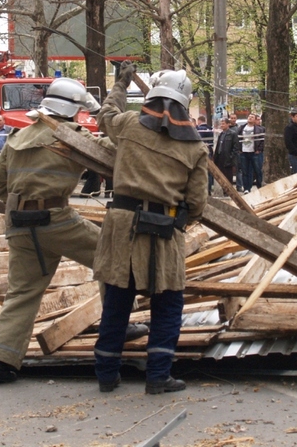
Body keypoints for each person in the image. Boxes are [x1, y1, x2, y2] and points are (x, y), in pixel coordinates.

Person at [0, 77, 128, 386]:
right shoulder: (72, 137)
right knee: (112, 257)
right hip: (57, 220)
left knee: (23, 292)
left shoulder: (19, 136)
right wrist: (105, 110)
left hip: (19, 224)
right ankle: (119, 328)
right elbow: (118, 155)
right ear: (75, 109)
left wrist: (25, 196)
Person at [93, 65, 208, 395]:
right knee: (168, 304)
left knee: (117, 299)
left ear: (152, 98)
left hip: (123, 227)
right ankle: (158, 376)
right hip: (164, 231)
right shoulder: (195, 148)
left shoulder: (129, 125)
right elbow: (197, 202)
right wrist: (179, 218)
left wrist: (120, 84)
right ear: (184, 104)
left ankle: (106, 375)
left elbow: (106, 114)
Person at [237, 113, 261, 193]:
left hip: (254, 152)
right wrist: (239, 149)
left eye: (252, 117)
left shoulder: (258, 129)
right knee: (245, 171)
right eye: (249, 117)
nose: (250, 118)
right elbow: (237, 138)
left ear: (255, 120)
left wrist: (259, 149)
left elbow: (261, 140)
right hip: (244, 152)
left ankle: (259, 187)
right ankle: (246, 188)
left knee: (257, 170)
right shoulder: (241, 128)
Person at [212, 118, 239, 186]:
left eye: (223, 124)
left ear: (228, 124)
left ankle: (229, 190)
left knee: (228, 175)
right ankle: (223, 189)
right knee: (221, 175)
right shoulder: (221, 134)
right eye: (221, 124)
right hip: (220, 157)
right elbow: (218, 146)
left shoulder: (232, 134)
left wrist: (231, 157)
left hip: (228, 159)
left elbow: (235, 147)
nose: (222, 125)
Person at [195, 115, 214, 195]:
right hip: (209, 151)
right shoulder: (210, 129)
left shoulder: (198, 130)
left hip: (200, 152)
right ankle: (209, 189)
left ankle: (204, 191)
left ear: (199, 121)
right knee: (209, 172)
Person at [252, 114, 265, 188]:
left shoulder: (262, 129)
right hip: (250, 151)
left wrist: (259, 149)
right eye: (257, 119)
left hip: (258, 152)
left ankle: (259, 184)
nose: (259, 121)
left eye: (260, 119)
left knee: (259, 169)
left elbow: (262, 140)